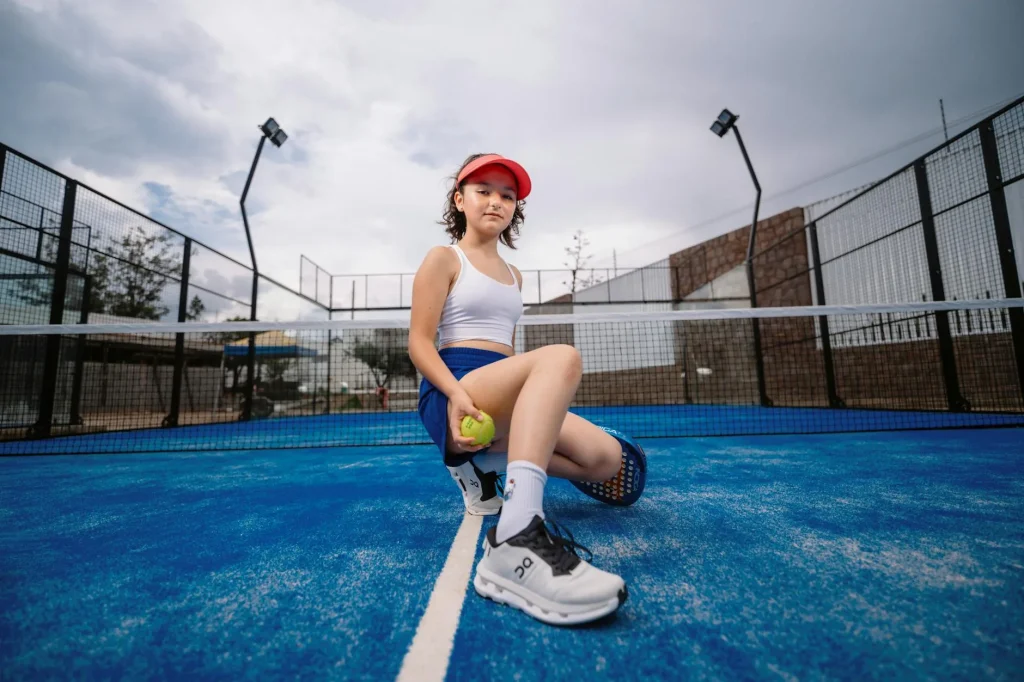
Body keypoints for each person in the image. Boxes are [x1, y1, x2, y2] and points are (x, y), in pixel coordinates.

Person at [408, 153, 628, 625]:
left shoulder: (515, 276)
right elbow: (419, 344)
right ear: (459, 199)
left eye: (507, 195)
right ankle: (516, 532)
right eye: (484, 190)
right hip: (456, 383)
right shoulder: (444, 257)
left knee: (607, 461)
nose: (496, 201)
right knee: (562, 355)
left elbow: (508, 354)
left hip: (498, 383)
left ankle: (489, 460)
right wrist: (455, 397)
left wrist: (528, 409)